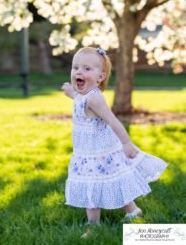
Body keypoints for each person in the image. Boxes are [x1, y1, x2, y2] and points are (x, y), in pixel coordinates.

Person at [61, 46, 168, 230]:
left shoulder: (95, 99)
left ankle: (93, 225)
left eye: (87, 69)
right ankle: (133, 211)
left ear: (100, 77)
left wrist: (126, 143)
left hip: (100, 153)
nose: (79, 71)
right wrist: (72, 93)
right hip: (87, 152)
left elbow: (113, 121)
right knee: (109, 182)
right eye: (76, 67)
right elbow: (79, 99)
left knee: (93, 184)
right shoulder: (83, 94)